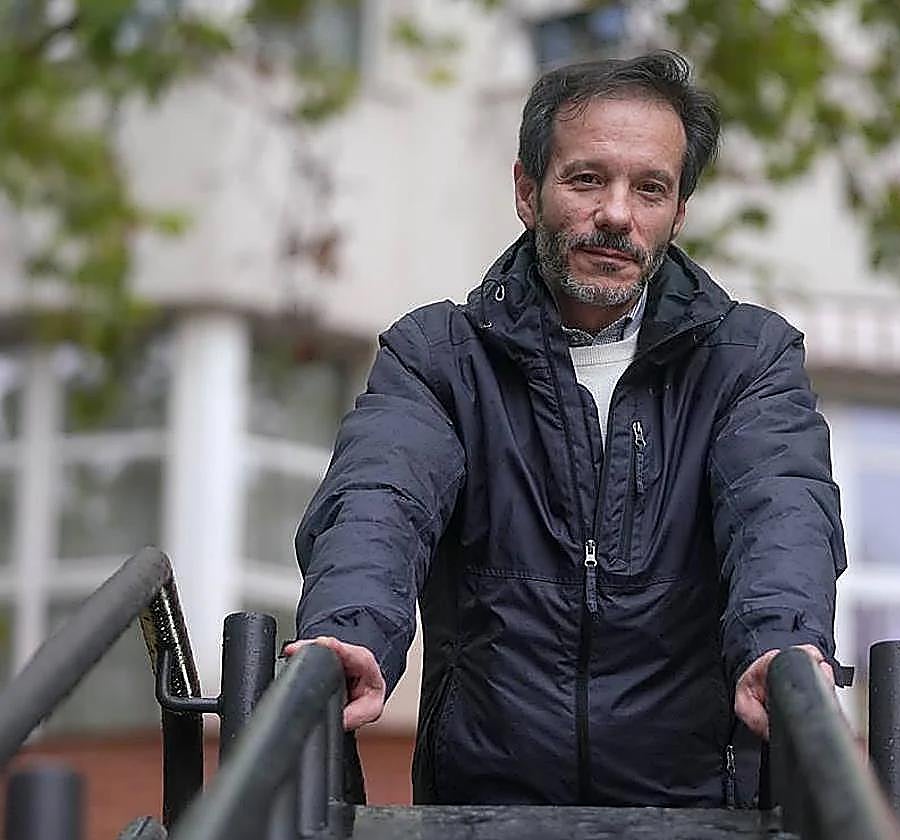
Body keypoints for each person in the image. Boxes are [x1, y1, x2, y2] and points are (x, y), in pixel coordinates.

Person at [286, 50, 847, 808]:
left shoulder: (748, 359)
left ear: (678, 213)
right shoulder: (437, 357)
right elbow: (379, 501)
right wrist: (348, 632)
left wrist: (784, 642)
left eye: (650, 188)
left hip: (696, 810)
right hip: (485, 809)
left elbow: (780, 509)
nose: (616, 214)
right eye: (587, 179)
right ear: (527, 190)